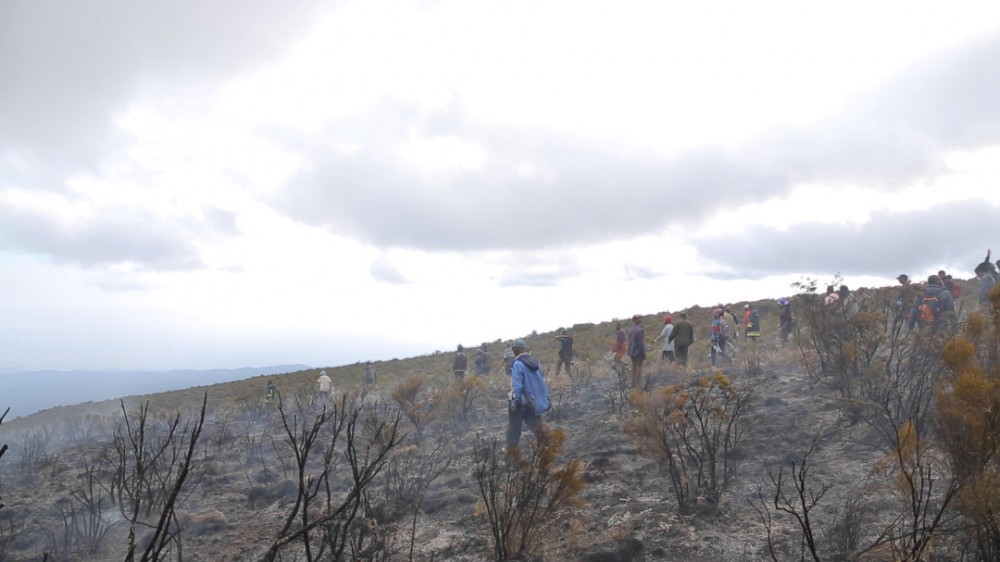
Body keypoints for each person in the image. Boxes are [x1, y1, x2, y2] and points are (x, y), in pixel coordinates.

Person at [507, 338, 550, 450]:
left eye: (513, 349)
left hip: (521, 402)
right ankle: (548, 445)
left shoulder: (517, 364)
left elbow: (517, 386)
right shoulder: (535, 362)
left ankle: (512, 451)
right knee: (536, 425)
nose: (513, 351)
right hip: (534, 402)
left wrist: (514, 402)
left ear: (516, 350)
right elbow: (541, 379)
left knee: (514, 428)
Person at [626, 314, 646, 388]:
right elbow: (641, 342)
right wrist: (643, 353)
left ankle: (632, 384)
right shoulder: (640, 330)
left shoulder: (630, 329)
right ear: (635, 320)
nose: (641, 319)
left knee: (633, 366)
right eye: (639, 318)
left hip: (631, 350)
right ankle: (638, 384)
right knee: (638, 367)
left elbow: (630, 340)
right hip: (638, 350)